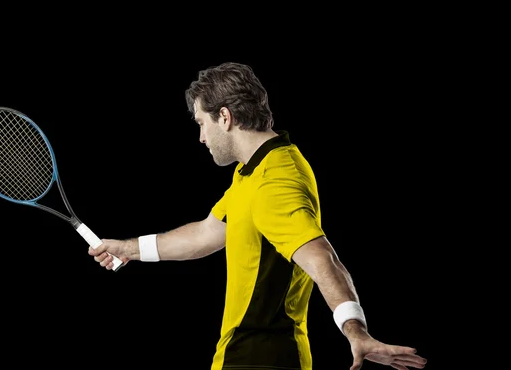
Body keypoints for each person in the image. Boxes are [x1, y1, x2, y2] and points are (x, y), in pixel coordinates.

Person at [88, 62, 427, 370]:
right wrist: (128, 249)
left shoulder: (274, 182)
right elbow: (207, 234)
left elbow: (323, 258)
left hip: (261, 357)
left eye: (202, 124)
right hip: (246, 352)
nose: (201, 138)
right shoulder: (255, 169)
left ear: (225, 117)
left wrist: (355, 330)